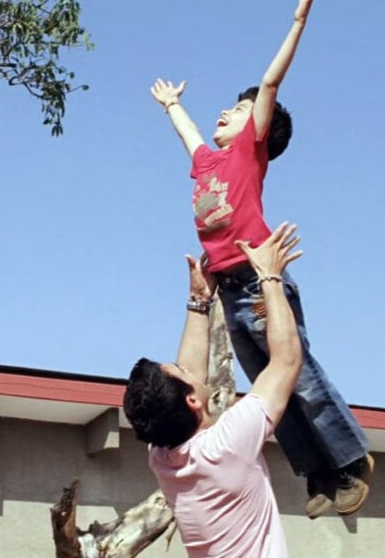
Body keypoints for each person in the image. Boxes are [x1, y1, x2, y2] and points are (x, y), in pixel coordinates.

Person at [148, 0, 373, 518]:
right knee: (265, 389)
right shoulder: (208, 163)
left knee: (298, 371)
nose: (226, 112)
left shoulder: (250, 154)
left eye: (237, 108)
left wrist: (297, 22)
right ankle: (318, 475)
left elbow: (269, 84)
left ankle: (349, 460)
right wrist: (173, 105)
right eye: (224, 108)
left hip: (259, 280)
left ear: (258, 128)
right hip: (229, 289)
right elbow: (188, 133)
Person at [124, 223, 305, 557]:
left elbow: (189, 375)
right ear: (191, 400)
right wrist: (269, 276)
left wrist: (198, 301)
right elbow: (287, 361)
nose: (186, 368)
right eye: (179, 370)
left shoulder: (163, 456)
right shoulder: (226, 447)